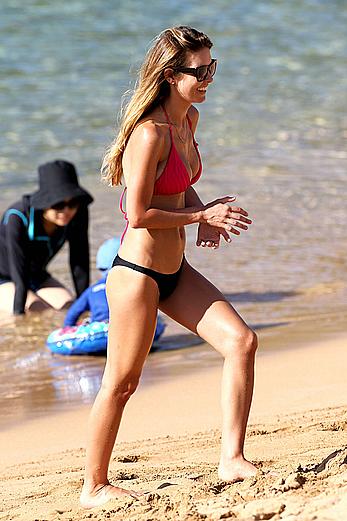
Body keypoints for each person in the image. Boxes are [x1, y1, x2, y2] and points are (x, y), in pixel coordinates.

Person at [80, 26, 257, 509]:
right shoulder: (149, 133)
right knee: (121, 383)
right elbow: (136, 214)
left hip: (174, 271)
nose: (207, 79)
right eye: (198, 72)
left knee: (241, 342)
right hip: (136, 276)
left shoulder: (189, 120)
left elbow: (178, 186)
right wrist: (201, 215)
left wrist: (203, 213)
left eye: (211, 68)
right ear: (169, 74)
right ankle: (93, 486)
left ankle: (231, 458)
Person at [0, 160, 93, 315]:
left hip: (36, 275)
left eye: (73, 203)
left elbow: (80, 261)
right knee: (34, 309)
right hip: (5, 276)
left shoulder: (78, 213)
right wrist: (19, 324)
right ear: (45, 203)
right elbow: (18, 270)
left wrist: (85, 307)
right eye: (58, 205)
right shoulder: (17, 217)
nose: (66, 211)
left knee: (69, 306)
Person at [63, 237, 121, 326]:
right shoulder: (128, 286)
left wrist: (67, 329)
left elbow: (72, 315)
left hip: (97, 329)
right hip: (119, 326)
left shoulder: (92, 290)